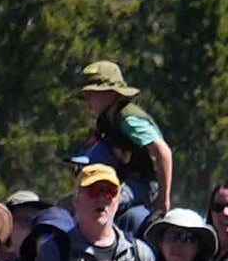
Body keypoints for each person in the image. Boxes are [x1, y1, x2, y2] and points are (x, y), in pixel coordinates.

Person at [70, 60, 178, 216]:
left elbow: (163, 152)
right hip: (120, 179)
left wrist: (163, 199)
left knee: (103, 202)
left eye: (90, 94)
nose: (85, 100)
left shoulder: (129, 119)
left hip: (143, 184)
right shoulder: (106, 118)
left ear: (111, 92)